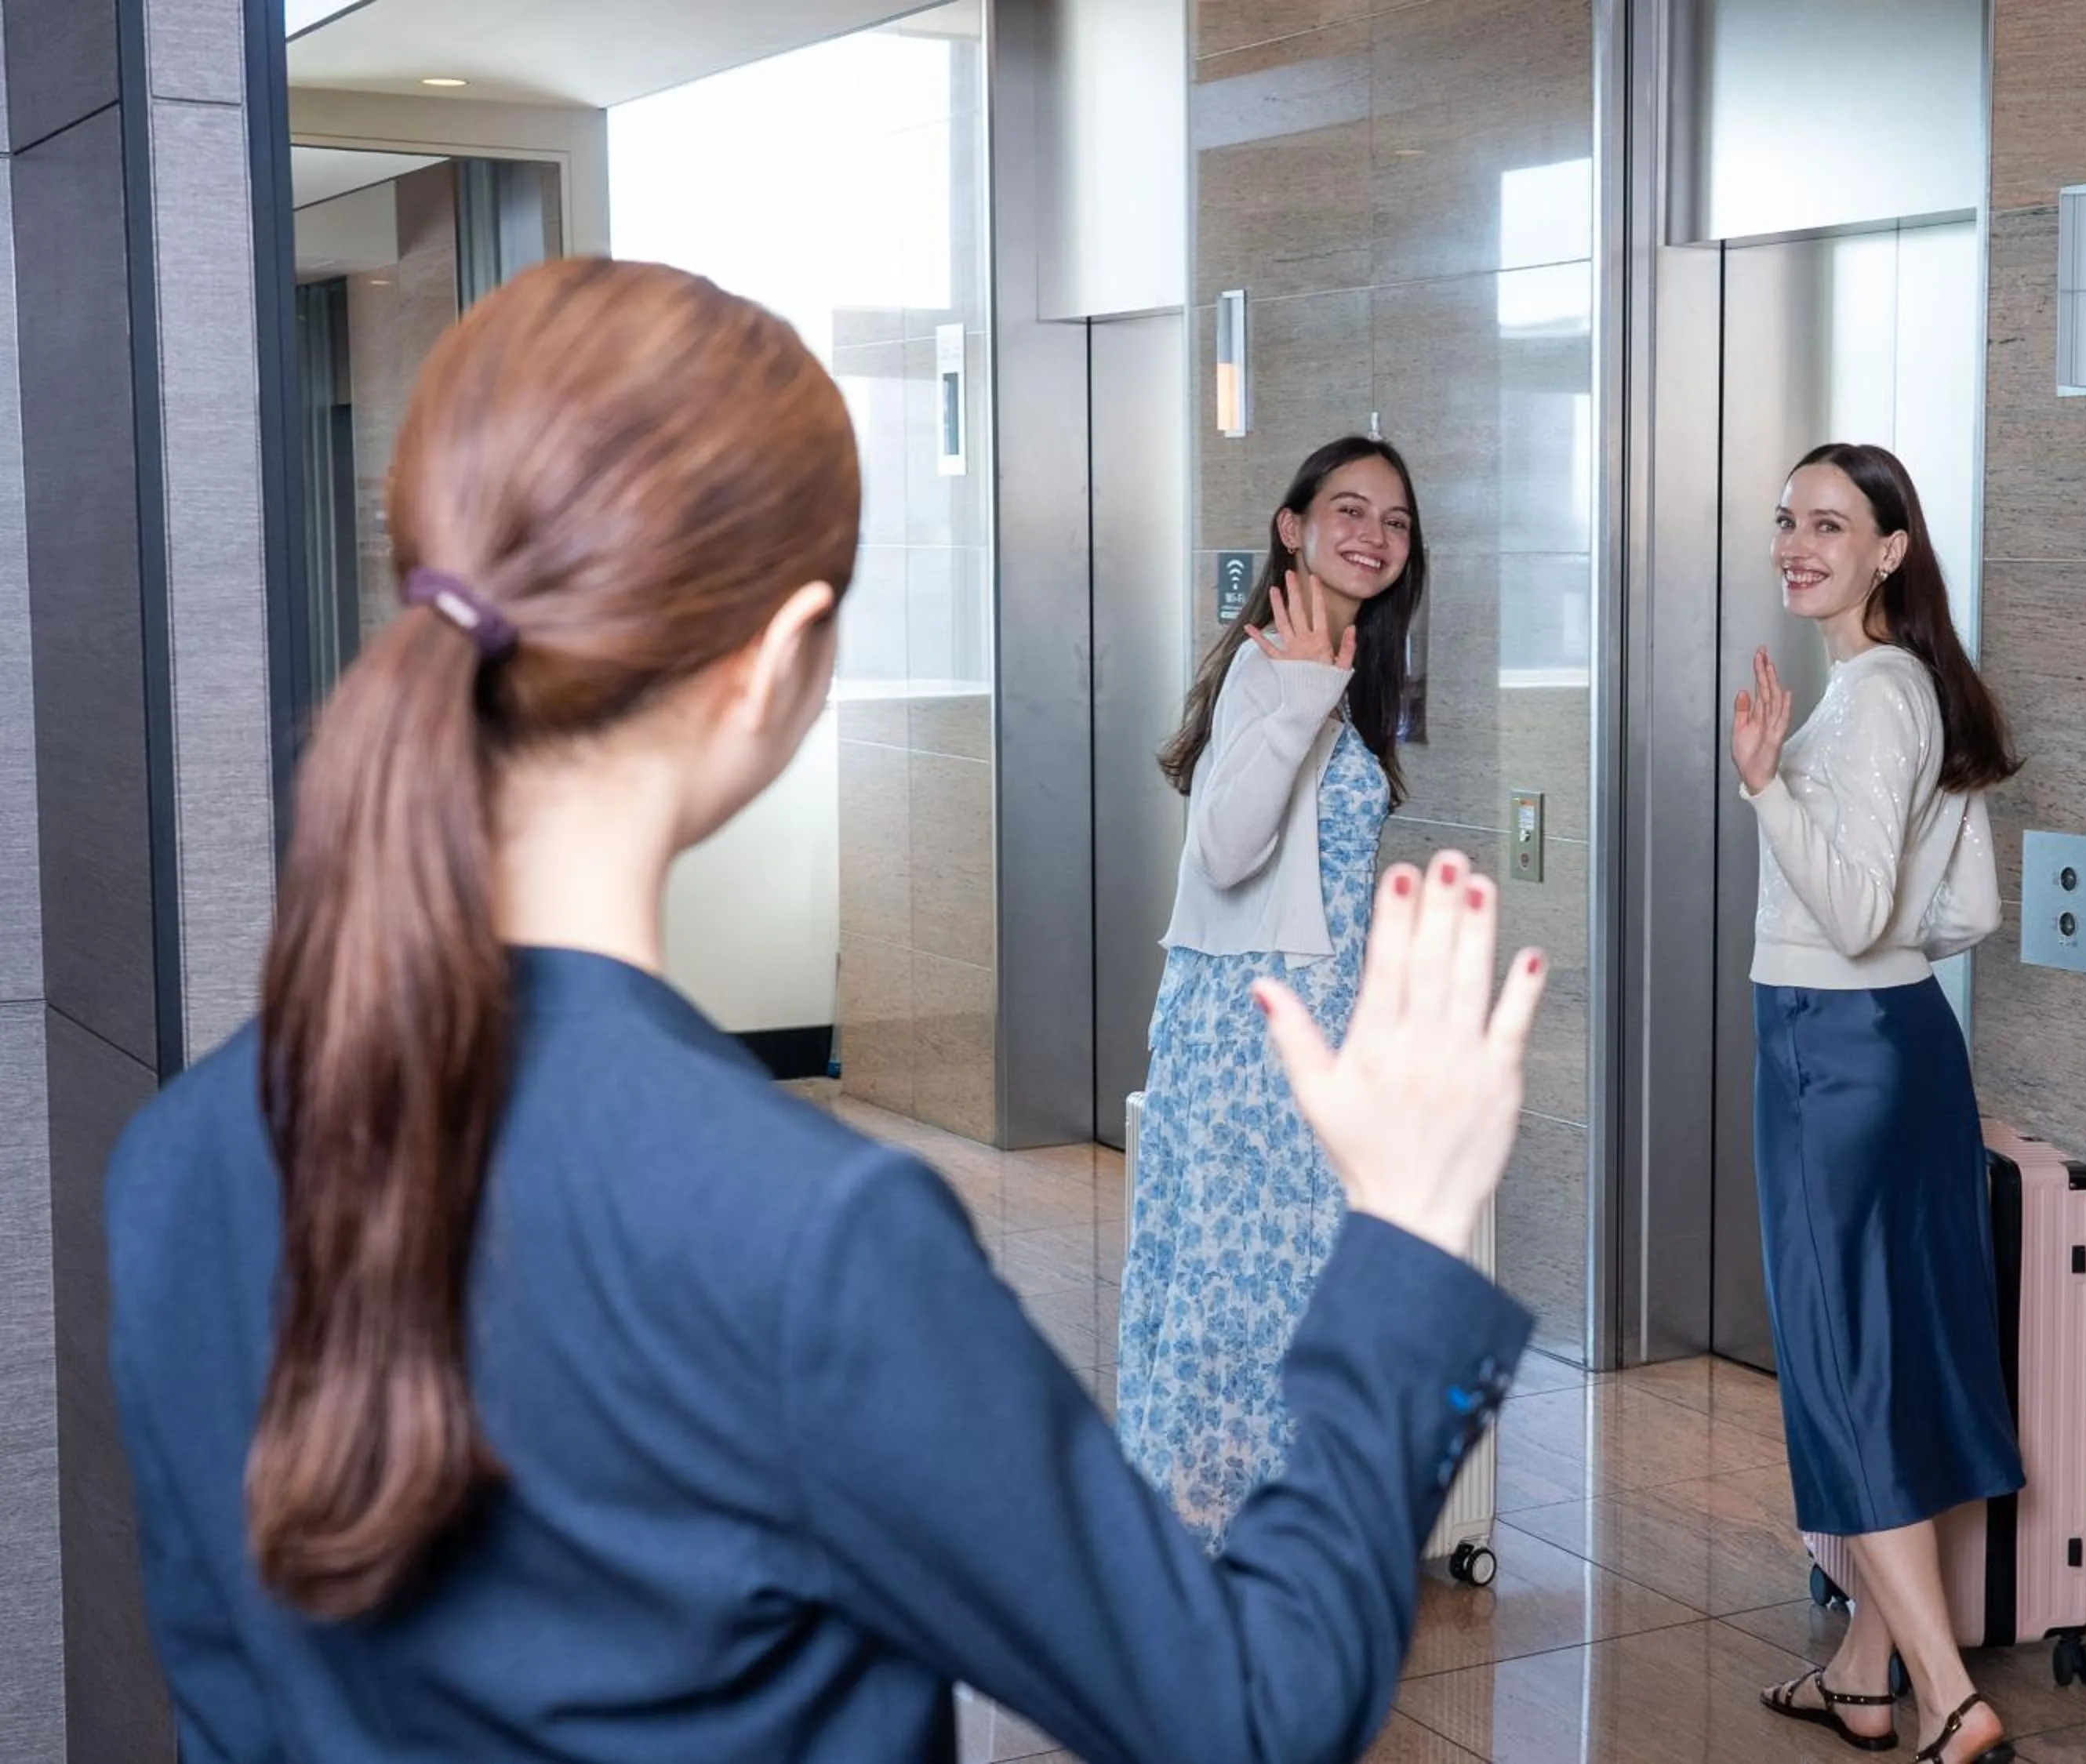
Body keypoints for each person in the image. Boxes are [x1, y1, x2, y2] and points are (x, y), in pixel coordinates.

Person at [103, 260, 1548, 1764]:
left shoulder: (181, 1157)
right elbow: (1246, 1709)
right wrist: (1409, 1241)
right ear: (777, 660)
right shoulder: (823, 1243)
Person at [1735, 441, 2023, 1764]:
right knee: (1904, 1356)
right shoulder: (1924, 688)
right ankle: (1866, 1673)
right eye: (1789, 519)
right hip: (1909, 1039)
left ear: (1891, 548)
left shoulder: (1867, 700)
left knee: (1851, 1369)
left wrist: (1765, 787)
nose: (1798, 542)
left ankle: (1949, 1695)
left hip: (1828, 1046)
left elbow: (1847, 910)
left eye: (1831, 524)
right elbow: (1963, 908)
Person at [1118, 436, 1429, 1550]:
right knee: (1242, 1312)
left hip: (1304, 1030)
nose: (1374, 534)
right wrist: (1300, 693)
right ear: (1290, 526)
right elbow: (1229, 844)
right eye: (1347, 509)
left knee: (1274, 1306)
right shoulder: (1276, 665)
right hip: (1255, 1043)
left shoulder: (1336, 666)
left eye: (1395, 521)